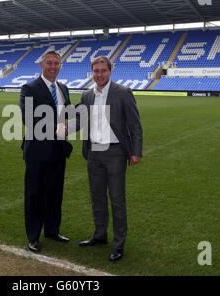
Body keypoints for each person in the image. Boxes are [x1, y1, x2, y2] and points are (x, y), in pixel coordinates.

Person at [73, 56, 143, 262]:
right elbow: (80, 119)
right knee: (97, 197)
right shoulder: (87, 95)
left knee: (117, 200)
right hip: (94, 152)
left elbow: (135, 125)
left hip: (115, 154)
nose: (99, 74)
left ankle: (119, 244)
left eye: (103, 70)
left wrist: (136, 151)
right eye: (96, 70)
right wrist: (63, 127)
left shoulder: (123, 93)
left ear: (110, 71)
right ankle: (100, 234)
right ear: (92, 72)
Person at [19, 50, 73, 253]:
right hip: (38, 151)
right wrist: (57, 128)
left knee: (55, 192)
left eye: (56, 63)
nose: (52, 67)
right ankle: (33, 236)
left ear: (60, 66)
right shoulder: (29, 88)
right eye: (49, 63)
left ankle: (52, 230)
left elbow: (67, 114)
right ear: (42, 65)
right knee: (34, 193)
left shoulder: (63, 88)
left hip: (58, 150)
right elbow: (30, 119)